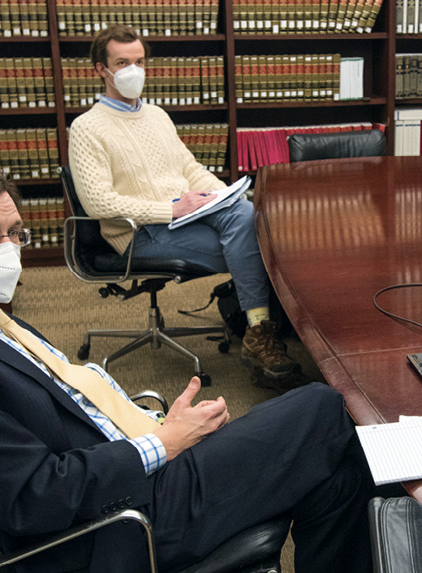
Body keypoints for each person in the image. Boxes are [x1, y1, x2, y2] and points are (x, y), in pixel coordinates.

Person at [0, 162, 373, 573]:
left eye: (13, 234)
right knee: (321, 406)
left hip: (125, 476)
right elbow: (34, 497)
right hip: (112, 528)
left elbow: (64, 403)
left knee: (337, 476)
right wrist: (165, 444)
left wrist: (154, 426)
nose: (7, 248)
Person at [67, 24, 300, 386]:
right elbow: (98, 202)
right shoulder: (86, 128)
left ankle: (258, 331)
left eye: (140, 61)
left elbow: (189, 169)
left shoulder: (157, 116)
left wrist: (221, 195)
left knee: (246, 214)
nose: (134, 70)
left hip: (189, 215)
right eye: (123, 62)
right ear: (101, 69)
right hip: (140, 232)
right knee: (256, 247)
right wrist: (170, 210)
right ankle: (261, 332)